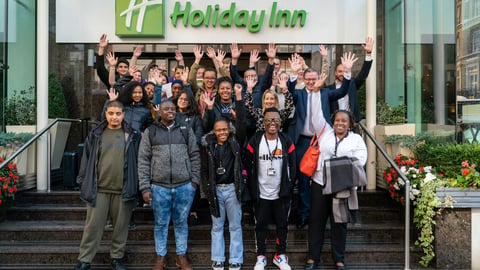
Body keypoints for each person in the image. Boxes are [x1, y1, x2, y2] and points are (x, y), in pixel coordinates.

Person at [286, 52, 357, 229]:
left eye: (313, 79)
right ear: (305, 78)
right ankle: (304, 215)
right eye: (308, 79)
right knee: (303, 178)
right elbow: (289, 90)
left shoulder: (325, 93)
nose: (311, 82)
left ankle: (325, 214)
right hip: (303, 141)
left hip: (323, 140)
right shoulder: (299, 94)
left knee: (325, 176)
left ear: (319, 78)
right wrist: (293, 74)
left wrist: (347, 72)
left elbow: (342, 91)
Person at [74, 100, 141, 270]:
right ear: (106, 114)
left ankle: (117, 257)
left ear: (123, 115)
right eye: (111, 113)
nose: (114, 117)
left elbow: (139, 161)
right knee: (92, 227)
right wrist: (82, 181)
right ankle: (84, 260)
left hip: (123, 189)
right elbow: (86, 158)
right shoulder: (96, 134)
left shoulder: (132, 135)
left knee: (121, 227)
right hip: (99, 189)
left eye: (118, 114)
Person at [138, 100, 201, 270]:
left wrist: (194, 182)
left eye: (173, 109)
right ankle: (161, 256)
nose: (171, 112)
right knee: (161, 223)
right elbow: (143, 160)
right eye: (166, 109)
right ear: (159, 112)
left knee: (181, 222)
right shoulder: (150, 131)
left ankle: (181, 256)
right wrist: (145, 187)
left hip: (184, 185)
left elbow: (195, 155)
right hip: (159, 186)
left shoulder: (185, 130)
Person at [305, 110, 367, 270]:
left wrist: (335, 167)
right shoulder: (325, 133)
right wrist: (316, 90)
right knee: (316, 221)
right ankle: (313, 258)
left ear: (350, 123)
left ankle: (339, 259)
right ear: (333, 122)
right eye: (337, 120)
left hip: (342, 187)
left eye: (344, 121)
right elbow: (316, 115)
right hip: (321, 184)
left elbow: (360, 160)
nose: (340, 123)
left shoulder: (357, 139)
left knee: (339, 223)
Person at [201, 84, 246, 270]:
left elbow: (242, 126)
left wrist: (239, 98)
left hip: (232, 189)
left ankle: (236, 259)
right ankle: (218, 258)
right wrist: (210, 108)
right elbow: (204, 171)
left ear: (229, 130)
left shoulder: (235, 142)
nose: (222, 133)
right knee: (217, 226)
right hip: (216, 190)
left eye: (225, 130)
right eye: (218, 130)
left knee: (235, 227)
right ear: (214, 131)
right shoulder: (208, 146)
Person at [245, 107, 296, 270]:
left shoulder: (286, 140)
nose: (272, 123)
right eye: (268, 120)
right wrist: (253, 187)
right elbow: (247, 161)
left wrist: (288, 185)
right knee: (260, 225)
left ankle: (280, 255)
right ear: (263, 122)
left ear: (280, 123)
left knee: (282, 225)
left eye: (275, 120)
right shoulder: (255, 140)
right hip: (261, 193)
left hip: (281, 193)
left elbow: (293, 165)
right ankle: (261, 256)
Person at [175, 89, 204, 225]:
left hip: (191, 154)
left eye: (185, 99)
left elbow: (198, 135)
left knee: (193, 183)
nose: (182, 101)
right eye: (180, 98)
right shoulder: (172, 115)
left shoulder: (195, 117)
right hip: (174, 154)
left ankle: (193, 211)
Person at [328, 37, 374, 122]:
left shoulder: (352, 84)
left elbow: (363, 74)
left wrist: (368, 53)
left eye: (344, 71)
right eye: (340, 71)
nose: (342, 74)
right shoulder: (329, 89)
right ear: (335, 73)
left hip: (351, 121)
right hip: (335, 123)